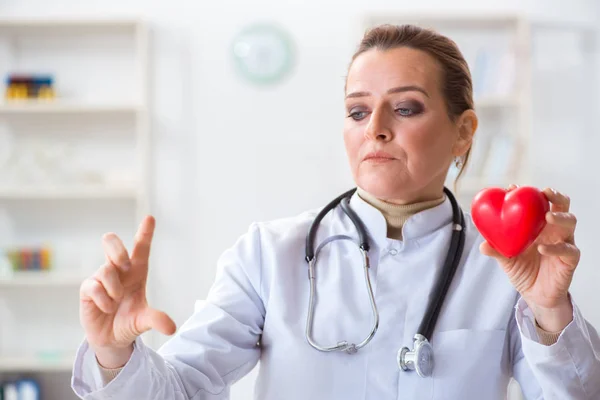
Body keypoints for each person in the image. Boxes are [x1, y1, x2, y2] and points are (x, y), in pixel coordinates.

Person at [71, 24, 600, 399]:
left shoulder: (504, 265)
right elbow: (181, 391)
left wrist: (550, 310)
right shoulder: (269, 254)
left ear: (464, 132)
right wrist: (115, 356)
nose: (376, 128)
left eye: (406, 107)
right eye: (357, 110)